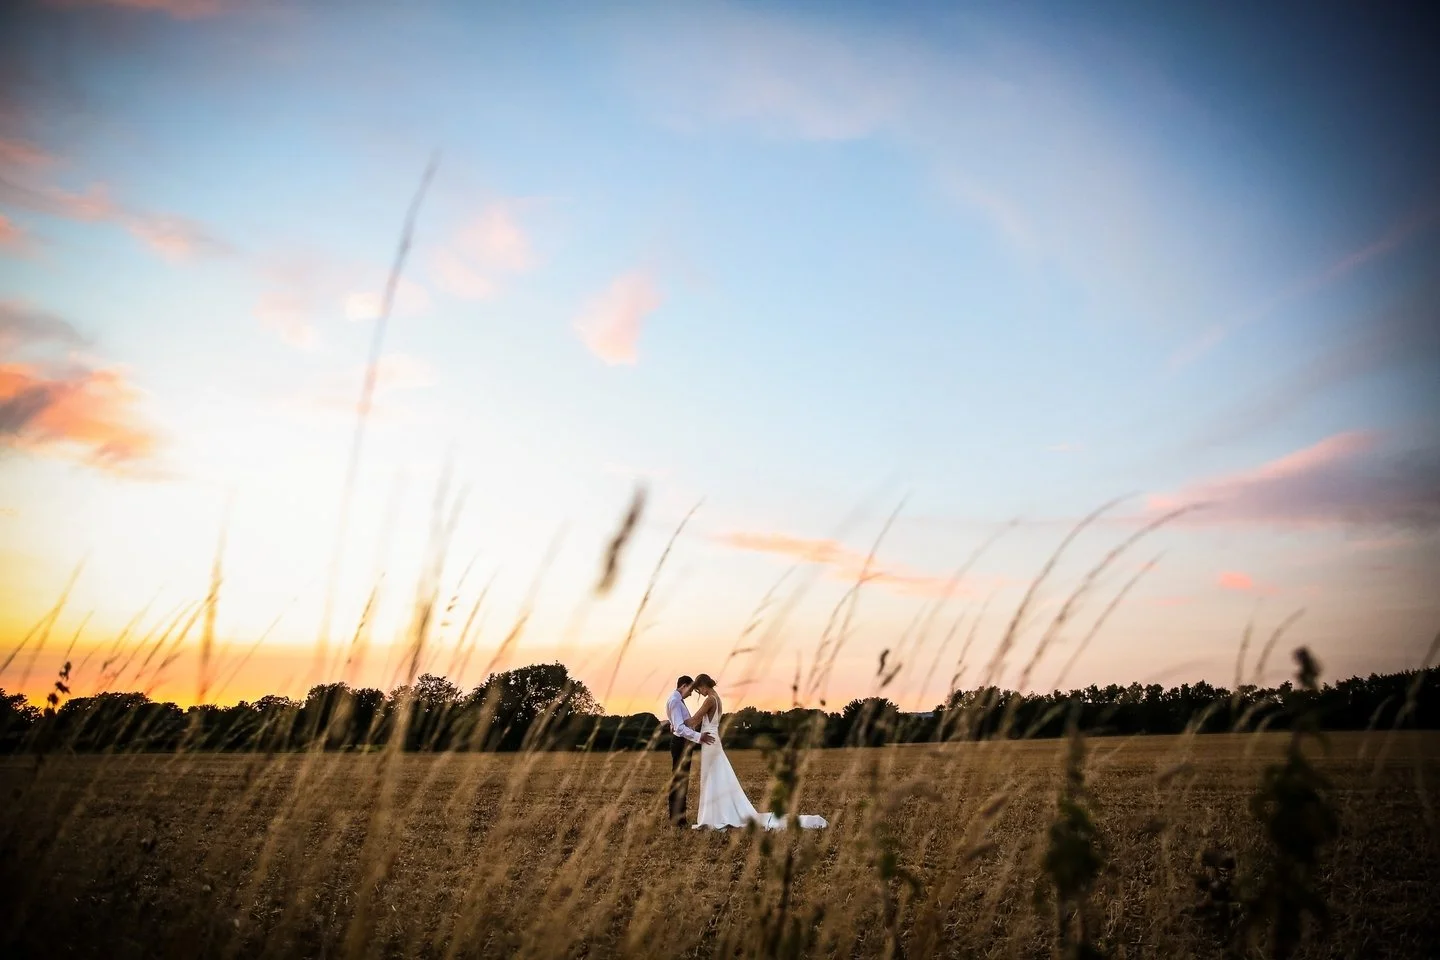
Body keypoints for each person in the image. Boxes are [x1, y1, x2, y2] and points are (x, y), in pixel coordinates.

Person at [683, 674, 828, 831]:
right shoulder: (717, 698)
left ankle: (715, 815)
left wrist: (676, 722)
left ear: (704, 685)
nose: (700, 693)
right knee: (716, 776)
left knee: (712, 777)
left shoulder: (710, 699)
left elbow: (694, 720)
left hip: (709, 741)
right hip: (713, 739)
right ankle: (717, 813)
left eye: (699, 689)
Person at [665, 675, 714, 828]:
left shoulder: (676, 700)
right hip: (681, 743)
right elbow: (680, 728)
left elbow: (677, 724)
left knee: (681, 780)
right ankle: (677, 820)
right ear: (684, 686)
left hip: (682, 742)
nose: (691, 693)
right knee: (679, 781)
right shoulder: (675, 701)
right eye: (691, 690)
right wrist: (699, 736)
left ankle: (679, 818)